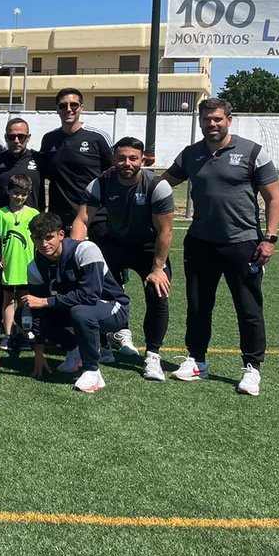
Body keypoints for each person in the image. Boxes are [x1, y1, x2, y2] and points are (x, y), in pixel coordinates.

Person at [160, 97, 279, 395]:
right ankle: (197, 360)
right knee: (198, 306)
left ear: (229, 119)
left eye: (217, 119)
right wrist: (131, 176)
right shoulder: (191, 154)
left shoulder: (253, 151)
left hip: (243, 244)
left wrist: (270, 238)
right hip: (200, 243)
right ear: (199, 121)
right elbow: (164, 183)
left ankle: (252, 368)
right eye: (206, 120)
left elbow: (274, 198)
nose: (211, 124)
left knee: (248, 308)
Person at [72, 136, 173, 379]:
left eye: (133, 158)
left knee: (158, 293)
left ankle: (152, 355)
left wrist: (158, 269)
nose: (126, 163)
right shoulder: (101, 183)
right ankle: (105, 341)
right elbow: (83, 220)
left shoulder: (157, 186)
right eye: (121, 157)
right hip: (115, 242)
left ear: (143, 160)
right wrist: (73, 254)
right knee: (96, 289)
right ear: (114, 159)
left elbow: (165, 231)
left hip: (148, 245)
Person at [22, 212, 130, 394]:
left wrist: (47, 301)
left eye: (49, 238)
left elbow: (90, 296)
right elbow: (38, 309)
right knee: (25, 313)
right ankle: (74, 348)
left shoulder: (86, 250)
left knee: (80, 312)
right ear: (32, 238)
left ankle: (92, 371)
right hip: (77, 307)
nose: (44, 244)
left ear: (61, 235)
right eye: (38, 239)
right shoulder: (34, 267)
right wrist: (38, 353)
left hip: (113, 307)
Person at [38, 88, 112, 235]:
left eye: (74, 105)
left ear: (81, 108)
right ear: (57, 109)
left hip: (94, 218)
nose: (68, 109)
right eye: (62, 106)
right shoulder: (49, 139)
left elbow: (114, 172)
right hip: (60, 219)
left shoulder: (97, 137)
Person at [0, 174, 40, 352]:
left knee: (24, 301)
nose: (19, 197)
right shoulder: (0, 213)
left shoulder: (33, 214)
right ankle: (9, 335)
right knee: (8, 300)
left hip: (27, 266)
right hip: (8, 266)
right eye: (16, 193)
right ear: (8, 191)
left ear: (29, 193)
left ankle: (22, 334)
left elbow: (39, 240)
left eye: (23, 194)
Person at [0, 117, 44, 219]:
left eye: (21, 136)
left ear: (28, 137)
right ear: (5, 138)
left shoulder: (39, 159)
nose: (16, 141)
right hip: (0, 222)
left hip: (31, 224)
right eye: (11, 137)